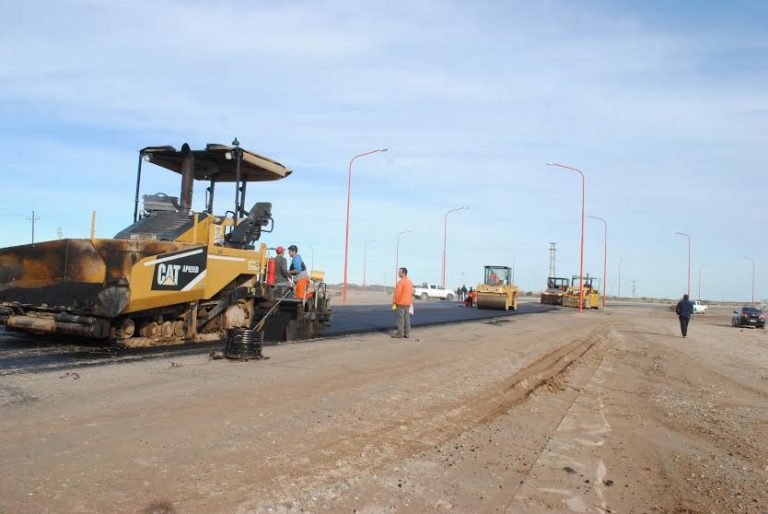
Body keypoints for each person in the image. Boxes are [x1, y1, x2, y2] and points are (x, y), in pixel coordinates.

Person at [392, 267, 414, 338]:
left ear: (403, 273)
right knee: (407, 319)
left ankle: (400, 333)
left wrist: (394, 303)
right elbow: (411, 293)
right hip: (408, 303)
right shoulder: (410, 282)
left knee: (400, 319)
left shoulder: (401, 282)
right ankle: (407, 333)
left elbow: (397, 294)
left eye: (399, 272)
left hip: (400, 303)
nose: (398, 273)